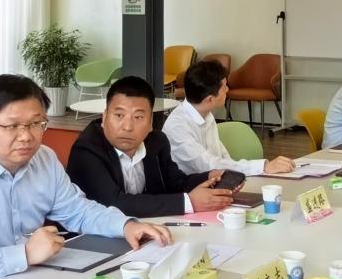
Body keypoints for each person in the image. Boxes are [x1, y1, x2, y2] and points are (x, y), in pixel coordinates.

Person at [0, 75, 170, 279]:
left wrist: (125, 225)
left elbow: (78, 211)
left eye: (36, 124)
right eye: (12, 126)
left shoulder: (44, 159)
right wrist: (24, 254)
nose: (26, 136)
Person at [66, 76, 234, 217]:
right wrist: (188, 202)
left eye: (138, 117)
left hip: (149, 229)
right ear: (104, 117)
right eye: (119, 115)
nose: (127, 126)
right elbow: (114, 203)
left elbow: (176, 183)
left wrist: (209, 178)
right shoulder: (87, 149)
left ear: (150, 123)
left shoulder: (157, 142)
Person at [162, 59, 295, 176]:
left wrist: (245, 172)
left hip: (213, 182)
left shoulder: (205, 114)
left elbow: (222, 158)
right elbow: (209, 165)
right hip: (189, 191)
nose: (227, 90)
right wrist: (263, 167)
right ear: (210, 99)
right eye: (224, 87)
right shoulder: (178, 127)